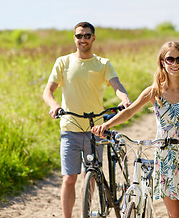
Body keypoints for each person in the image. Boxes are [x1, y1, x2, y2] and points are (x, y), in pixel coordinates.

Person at [92, 41, 179, 218]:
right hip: (164, 157)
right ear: (162, 61)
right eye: (170, 59)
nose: (175, 64)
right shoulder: (154, 91)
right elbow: (129, 112)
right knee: (174, 216)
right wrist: (106, 125)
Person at [42, 21, 131, 218]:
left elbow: (116, 85)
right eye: (79, 36)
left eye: (87, 35)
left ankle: (86, 212)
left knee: (90, 177)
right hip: (70, 128)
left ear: (93, 38)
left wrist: (124, 99)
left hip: (96, 129)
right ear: (74, 38)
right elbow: (48, 91)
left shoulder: (103, 64)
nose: (83, 39)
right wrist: (55, 106)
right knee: (69, 179)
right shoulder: (63, 62)